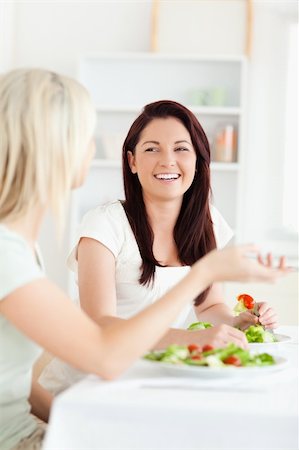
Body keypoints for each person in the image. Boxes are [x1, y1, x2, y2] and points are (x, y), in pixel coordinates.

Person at [0, 70, 287, 450]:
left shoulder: (21, 248)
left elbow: (14, 385)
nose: (91, 149)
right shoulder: (25, 250)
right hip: (81, 390)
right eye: (85, 138)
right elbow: (103, 345)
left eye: (181, 148)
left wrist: (234, 322)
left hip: (105, 391)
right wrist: (202, 278)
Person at [39, 100, 283, 394]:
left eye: (181, 148)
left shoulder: (209, 223)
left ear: (198, 159)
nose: (167, 161)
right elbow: (100, 326)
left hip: (155, 375)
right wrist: (190, 339)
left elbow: (208, 304)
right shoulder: (104, 224)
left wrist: (235, 323)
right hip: (86, 382)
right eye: (152, 149)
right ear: (132, 161)